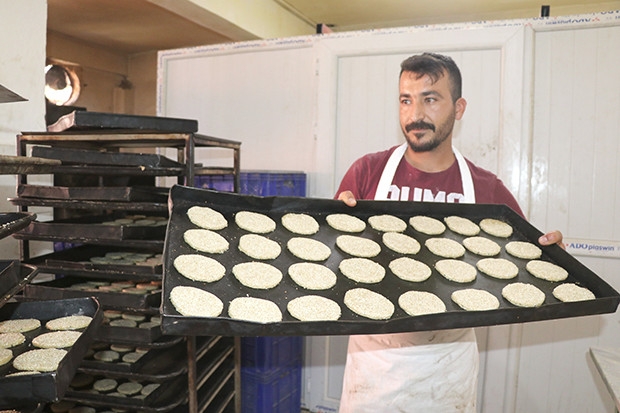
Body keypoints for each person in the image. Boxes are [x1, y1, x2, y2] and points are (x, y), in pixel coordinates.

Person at [335, 52, 564, 413]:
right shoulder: (367, 173)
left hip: (447, 369)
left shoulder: (487, 190)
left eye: (430, 99)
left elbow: (526, 266)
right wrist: (331, 227)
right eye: (406, 100)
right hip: (376, 363)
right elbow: (336, 258)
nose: (415, 115)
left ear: (458, 108)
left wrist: (552, 257)